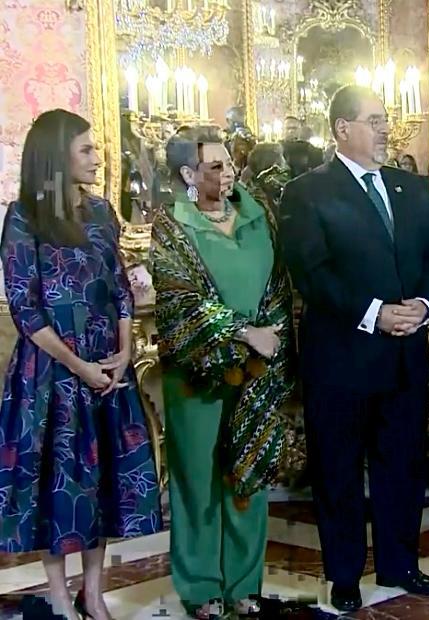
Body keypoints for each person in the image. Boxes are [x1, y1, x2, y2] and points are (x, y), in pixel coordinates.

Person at [278, 85, 429, 612]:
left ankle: (401, 563)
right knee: (339, 470)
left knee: (403, 465)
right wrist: (375, 313)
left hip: (405, 354)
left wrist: (423, 305)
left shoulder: (411, 188)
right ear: (341, 129)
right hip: (341, 359)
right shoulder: (306, 192)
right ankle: (345, 575)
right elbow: (312, 273)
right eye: (374, 120)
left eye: (386, 119)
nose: (385, 130)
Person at [0, 109, 162, 620]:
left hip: (106, 370)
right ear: (58, 154)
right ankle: (58, 597)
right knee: (58, 486)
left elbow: (119, 287)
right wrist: (78, 365)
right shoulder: (23, 216)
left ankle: (93, 593)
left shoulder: (102, 211)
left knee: (102, 483)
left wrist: (125, 350)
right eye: (87, 149)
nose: (98, 157)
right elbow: (25, 308)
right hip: (52, 374)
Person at [151, 126, 294, 619]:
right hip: (199, 374)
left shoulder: (258, 213)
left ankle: (244, 585)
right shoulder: (171, 225)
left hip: (257, 372)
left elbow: (280, 283)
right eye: (216, 166)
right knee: (198, 481)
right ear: (189, 175)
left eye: (230, 161)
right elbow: (180, 301)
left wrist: (269, 336)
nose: (229, 171)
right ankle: (200, 587)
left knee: (247, 477)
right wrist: (242, 333)